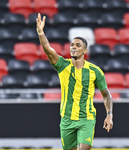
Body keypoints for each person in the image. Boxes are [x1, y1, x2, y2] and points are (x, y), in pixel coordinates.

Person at [36, 13, 113, 150]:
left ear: (85, 50)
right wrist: (41, 33)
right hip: (66, 120)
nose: (74, 47)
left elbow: (106, 94)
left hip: (86, 119)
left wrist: (109, 115)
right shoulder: (63, 66)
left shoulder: (95, 71)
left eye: (78, 45)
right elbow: (48, 50)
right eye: (72, 45)